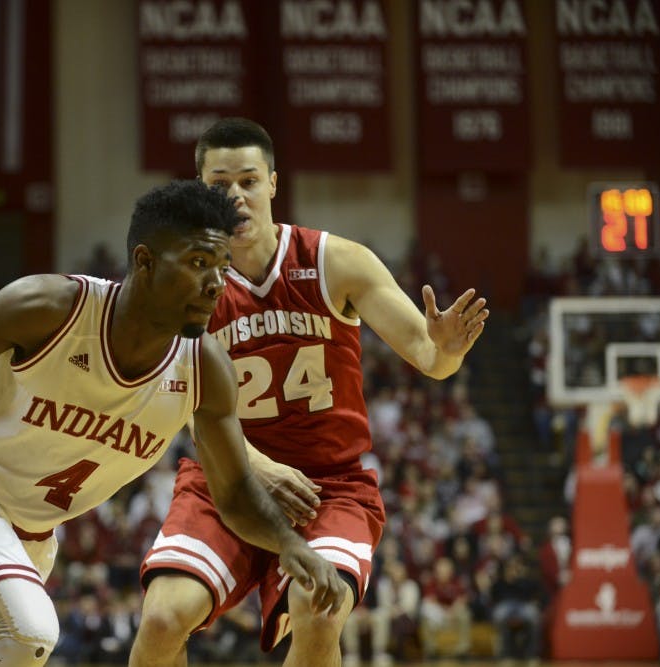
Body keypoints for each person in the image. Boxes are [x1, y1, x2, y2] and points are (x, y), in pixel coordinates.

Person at [0, 180, 346, 667]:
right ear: (146, 260)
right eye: (200, 262)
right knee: (28, 636)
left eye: (222, 267)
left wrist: (291, 547)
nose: (214, 283)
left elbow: (232, 493)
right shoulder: (54, 307)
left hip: (34, 538)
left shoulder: (206, 369)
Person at [131, 118, 488, 667]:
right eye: (220, 185)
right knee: (160, 621)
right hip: (226, 480)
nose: (237, 197)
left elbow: (428, 356)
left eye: (249, 181)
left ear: (273, 183)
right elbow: (177, 397)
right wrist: (249, 467)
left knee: (319, 608)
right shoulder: (184, 282)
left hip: (329, 486)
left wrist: (449, 348)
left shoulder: (335, 261)